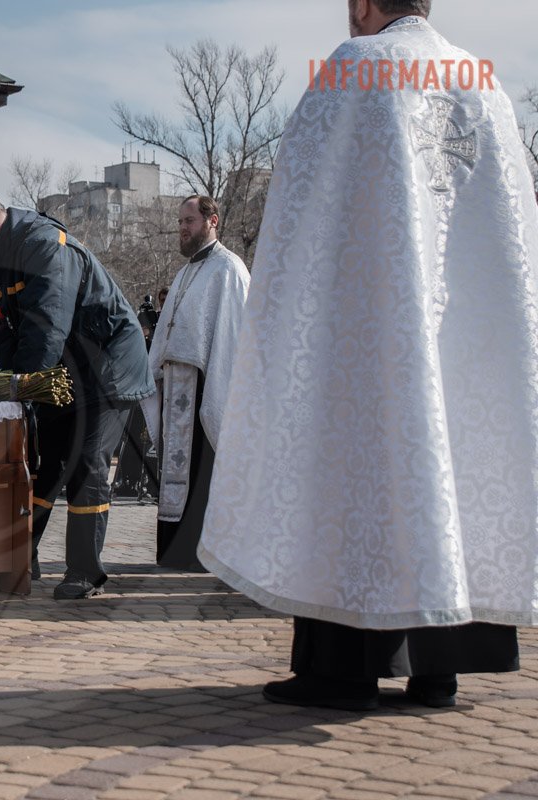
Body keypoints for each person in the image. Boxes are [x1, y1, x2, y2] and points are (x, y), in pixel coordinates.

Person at [199, 0, 536, 711]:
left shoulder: (357, 66)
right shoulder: (484, 84)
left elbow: (304, 210)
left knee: (358, 472)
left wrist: (293, 318)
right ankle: (436, 666)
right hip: (466, 337)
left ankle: (342, 671)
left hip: (373, 324)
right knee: (451, 462)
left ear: (362, 5)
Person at [0, 187, 154, 599]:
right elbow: (2, 327)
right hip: (67, 373)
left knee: (86, 463)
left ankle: (85, 572)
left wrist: (19, 387)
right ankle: (11, 563)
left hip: (107, 371)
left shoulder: (45, 245)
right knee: (43, 465)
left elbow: (46, 325)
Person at [145, 195, 249, 570]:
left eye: (189, 220)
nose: (182, 228)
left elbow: (234, 339)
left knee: (202, 472)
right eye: (180, 222)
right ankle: (175, 549)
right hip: (177, 388)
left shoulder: (229, 269)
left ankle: (201, 553)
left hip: (208, 388)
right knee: (177, 473)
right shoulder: (185, 272)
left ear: (212, 221)